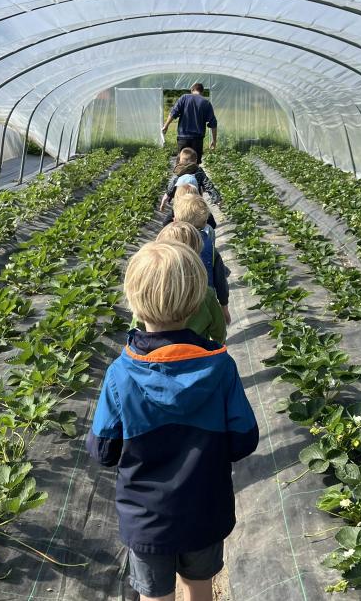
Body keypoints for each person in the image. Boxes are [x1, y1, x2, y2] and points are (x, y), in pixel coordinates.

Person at [86, 241, 258, 601]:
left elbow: (104, 450)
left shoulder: (122, 374)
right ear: (197, 301)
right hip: (205, 510)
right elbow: (244, 440)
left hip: (147, 519)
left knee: (154, 595)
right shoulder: (220, 367)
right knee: (199, 589)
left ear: (133, 302)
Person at [130, 222, 226, 343]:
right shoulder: (205, 294)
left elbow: (135, 330)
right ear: (195, 257)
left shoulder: (145, 294)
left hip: (153, 354)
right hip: (198, 354)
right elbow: (219, 331)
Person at [173, 194, 230, 325]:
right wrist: (224, 308)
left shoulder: (166, 247)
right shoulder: (210, 248)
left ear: (175, 220)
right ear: (205, 222)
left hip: (173, 306)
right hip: (204, 304)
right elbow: (221, 283)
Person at [159, 147, 221, 227]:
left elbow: (170, 190)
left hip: (180, 205)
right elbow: (208, 185)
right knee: (212, 223)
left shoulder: (178, 172)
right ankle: (202, 232)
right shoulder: (199, 171)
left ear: (180, 161)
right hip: (196, 204)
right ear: (195, 161)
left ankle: (174, 232)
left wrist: (163, 202)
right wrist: (216, 199)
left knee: (166, 223)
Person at [162, 84, 217, 162]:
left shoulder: (184, 98)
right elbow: (213, 123)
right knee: (195, 164)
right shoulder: (206, 103)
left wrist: (166, 125)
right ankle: (194, 173)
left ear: (192, 90)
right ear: (202, 91)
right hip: (197, 139)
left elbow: (173, 113)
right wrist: (214, 141)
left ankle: (182, 173)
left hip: (183, 137)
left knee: (181, 162)